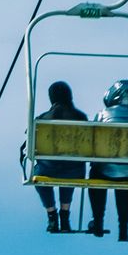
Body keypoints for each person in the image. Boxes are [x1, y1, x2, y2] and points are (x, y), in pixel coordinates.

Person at [87, 78, 128, 242]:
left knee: (97, 175)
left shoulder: (102, 115)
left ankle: (98, 221)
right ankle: (124, 227)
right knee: (126, 180)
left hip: (106, 171)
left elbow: (92, 144)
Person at [26, 80, 87, 233]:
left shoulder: (42, 119)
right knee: (71, 166)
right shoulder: (81, 117)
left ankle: (51, 214)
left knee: (39, 173)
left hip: (48, 169)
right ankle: (64, 214)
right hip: (73, 171)